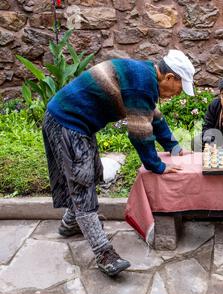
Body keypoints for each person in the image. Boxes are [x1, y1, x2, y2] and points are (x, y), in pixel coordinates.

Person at [42, 50, 195, 277]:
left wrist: (173, 147)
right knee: (82, 185)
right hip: (66, 121)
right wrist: (158, 166)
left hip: (77, 124)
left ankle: (70, 224)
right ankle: (104, 253)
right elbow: (139, 134)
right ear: (170, 77)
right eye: (180, 87)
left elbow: (154, 116)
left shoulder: (144, 77)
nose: (177, 93)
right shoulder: (142, 83)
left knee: (91, 173)